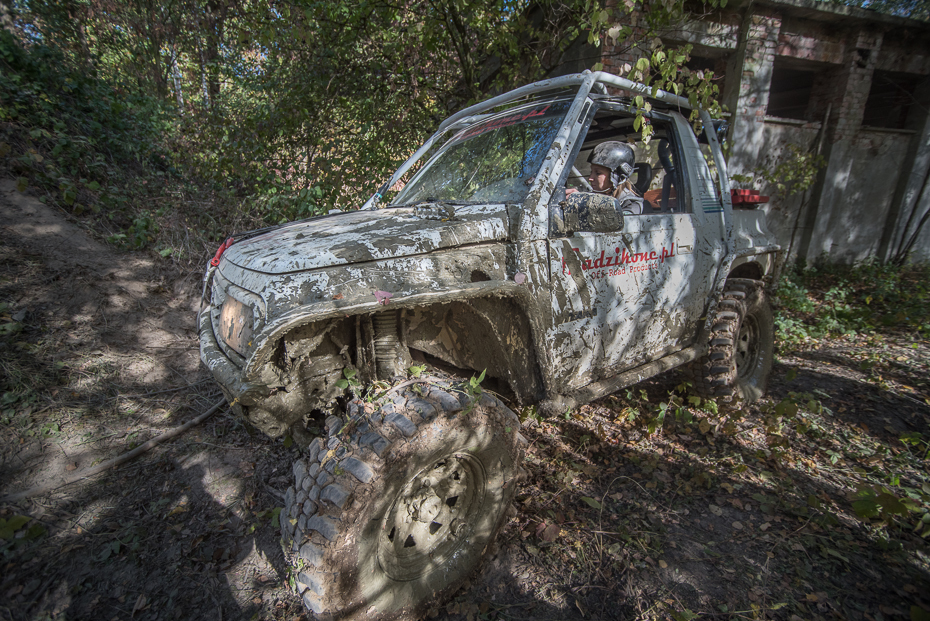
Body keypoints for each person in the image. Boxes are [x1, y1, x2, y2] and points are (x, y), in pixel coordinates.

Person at [567, 141, 644, 215]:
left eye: (598, 173)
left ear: (617, 177)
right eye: (591, 172)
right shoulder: (593, 195)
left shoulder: (632, 206)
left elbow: (614, 222)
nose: (590, 178)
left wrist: (584, 202)